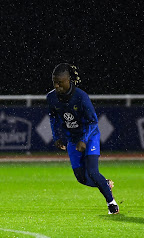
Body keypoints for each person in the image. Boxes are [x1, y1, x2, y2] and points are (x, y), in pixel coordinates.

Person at [47, 63, 119, 214]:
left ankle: (111, 203)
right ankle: (105, 184)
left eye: (60, 82)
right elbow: (53, 118)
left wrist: (84, 139)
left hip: (90, 136)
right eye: (55, 82)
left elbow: (93, 121)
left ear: (69, 80)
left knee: (92, 171)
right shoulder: (51, 97)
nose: (57, 85)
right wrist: (56, 137)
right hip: (72, 139)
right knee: (81, 178)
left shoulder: (81, 97)